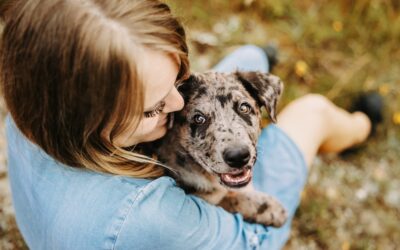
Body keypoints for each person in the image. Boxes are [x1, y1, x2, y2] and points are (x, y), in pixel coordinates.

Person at [0, 0, 380, 249]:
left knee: (246, 57)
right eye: (152, 110)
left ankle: (256, 59)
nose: (178, 105)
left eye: (177, 78)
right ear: (88, 123)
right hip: (238, 230)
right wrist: (234, 197)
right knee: (313, 111)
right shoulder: (153, 216)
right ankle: (362, 126)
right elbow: (248, 239)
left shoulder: (34, 104)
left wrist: (163, 101)